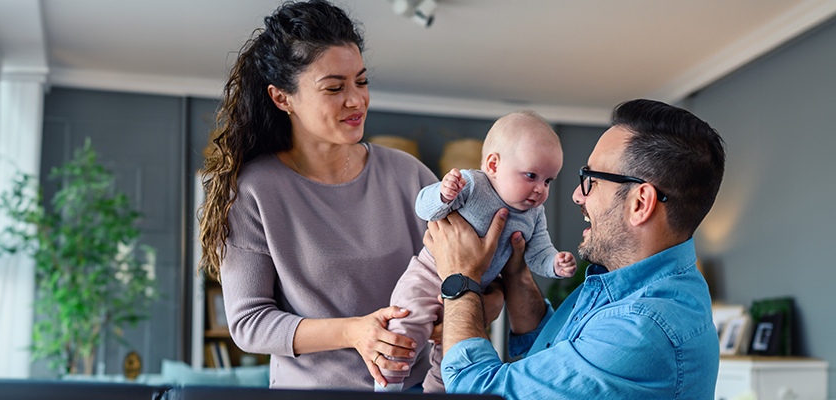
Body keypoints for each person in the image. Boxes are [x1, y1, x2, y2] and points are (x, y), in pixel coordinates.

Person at [196, 0, 440, 390]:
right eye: (334, 88)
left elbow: (474, 282)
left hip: (412, 389)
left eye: (361, 81)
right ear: (282, 98)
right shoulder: (255, 191)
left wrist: (457, 313)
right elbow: (248, 323)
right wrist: (353, 333)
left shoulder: (410, 175)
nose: (356, 99)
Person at [425, 99, 725, 399]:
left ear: (639, 203)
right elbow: (554, 361)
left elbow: (477, 391)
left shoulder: (641, 329)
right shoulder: (632, 287)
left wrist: (460, 278)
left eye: (591, 181)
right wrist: (516, 273)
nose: (576, 196)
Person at [379, 111, 577, 392]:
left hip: (476, 293)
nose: (539, 190)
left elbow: (538, 252)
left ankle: (435, 392)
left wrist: (554, 263)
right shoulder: (472, 184)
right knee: (404, 325)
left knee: (451, 356)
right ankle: (387, 386)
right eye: (531, 175)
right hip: (428, 274)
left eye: (548, 181)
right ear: (493, 164)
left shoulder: (534, 215)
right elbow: (423, 207)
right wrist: (443, 195)